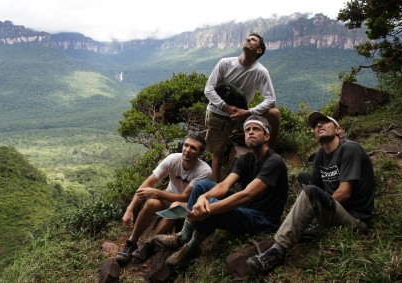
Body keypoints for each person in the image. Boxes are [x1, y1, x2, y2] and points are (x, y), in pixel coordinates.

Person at [247, 111, 375, 273]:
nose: (319, 125)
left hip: (355, 219)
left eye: (324, 122)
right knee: (303, 177)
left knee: (311, 192)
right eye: (315, 125)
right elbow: (313, 183)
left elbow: (344, 193)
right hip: (335, 210)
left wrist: (314, 209)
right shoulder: (321, 155)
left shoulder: (350, 149)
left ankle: (277, 251)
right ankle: (305, 222)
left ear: (338, 130)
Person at [154, 115, 289, 266]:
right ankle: (183, 236)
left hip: (263, 218)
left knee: (210, 207)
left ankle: (191, 248)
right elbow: (224, 185)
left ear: (266, 136)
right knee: (202, 185)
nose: (250, 132)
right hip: (245, 209)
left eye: (256, 129)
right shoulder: (246, 159)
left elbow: (246, 195)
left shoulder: (274, 162)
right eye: (247, 129)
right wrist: (202, 197)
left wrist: (209, 208)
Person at [115, 134, 212, 266]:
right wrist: (130, 209)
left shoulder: (204, 170)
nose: (187, 150)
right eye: (186, 145)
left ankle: (150, 244)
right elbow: (148, 182)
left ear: (200, 153)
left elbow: (184, 196)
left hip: (189, 203)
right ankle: (132, 241)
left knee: (176, 206)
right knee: (151, 203)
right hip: (169, 195)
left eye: (193, 148)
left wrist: (155, 191)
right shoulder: (173, 159)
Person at [204, 32, 281, 182]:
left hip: (242, 115)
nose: (247, 40)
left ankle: (269, 154)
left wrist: (247, 112)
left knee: (274, 113)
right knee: (217, 154)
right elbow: (208, 89)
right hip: (218, 113)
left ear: (259, 50)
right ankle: (215, 189)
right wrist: (225, 107)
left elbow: (271, 99)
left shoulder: (260, 71)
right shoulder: (225, 63)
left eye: (252, 40)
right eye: (247, 38)